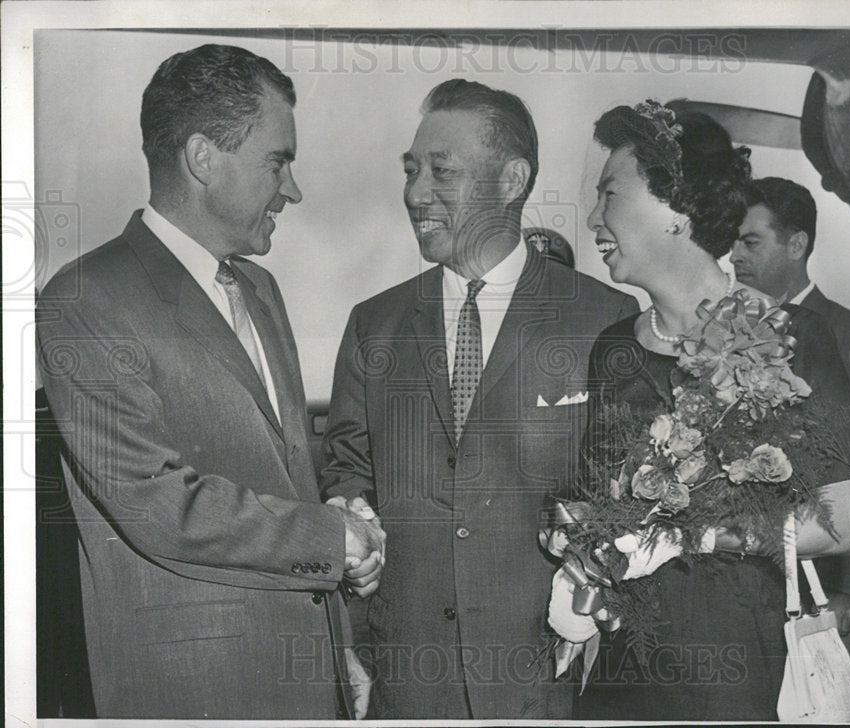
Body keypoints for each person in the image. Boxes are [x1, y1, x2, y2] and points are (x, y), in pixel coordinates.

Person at [36, 44, 384, 720]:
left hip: (309, 678)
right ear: (203, 157)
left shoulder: (260, 289)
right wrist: (332, 537)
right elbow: (153, 502)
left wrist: (337, 646)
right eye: (277, 162)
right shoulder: (85, 299)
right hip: (194, 689)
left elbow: (290, 479)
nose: (293, 189)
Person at [320, 79, 638, 720]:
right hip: (405, 679)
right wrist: (348, 522)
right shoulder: (372, 324)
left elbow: (626, 497)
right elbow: (347, 470)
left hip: (546, 679)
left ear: (513, 179)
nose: (415, 193)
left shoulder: (604, 319)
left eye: (442, 171)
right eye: (411, 171)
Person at [570, 101, 850, 721]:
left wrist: (705, 535)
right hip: (626, 671)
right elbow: (601, 504)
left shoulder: (793, 335)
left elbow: (844, 523)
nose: (595, 219)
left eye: (610, 195)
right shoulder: (613, 350)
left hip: (743, 671)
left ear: (677, 210)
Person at [733, 176, 850, 718]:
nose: (734, 255)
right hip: (752, 585)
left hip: (828, 596)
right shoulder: (728, 328)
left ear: (796, 245)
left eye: (751, 241)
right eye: (733, 241)